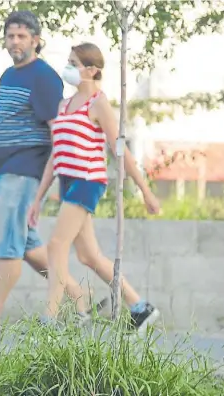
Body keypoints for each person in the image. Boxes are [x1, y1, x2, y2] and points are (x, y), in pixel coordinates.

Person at [0, 10, 105, 335]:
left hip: (25, 173)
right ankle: (81, 298)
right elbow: (1, 127)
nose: (15, 41)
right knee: (28, 247)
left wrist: (57, 180)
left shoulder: (44, 77)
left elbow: (57, 131)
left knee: (9, 244)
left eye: (22, 36)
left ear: (36, 40)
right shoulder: (9, 76)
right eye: (10, 35)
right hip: (3, 172)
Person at [27, 42, 161, 333]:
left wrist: (145, 190)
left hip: (88, 181)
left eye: (74, 63)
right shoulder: (64, 105)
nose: (68, 68)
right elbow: (56, 155)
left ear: (92, 70)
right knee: (88, 256)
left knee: (56, 245)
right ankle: (140, 307)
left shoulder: (98, 103)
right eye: (69, 61)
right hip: (67, 182)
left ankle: (50, 318)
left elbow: (119, 149)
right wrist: (37, 199)